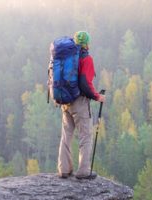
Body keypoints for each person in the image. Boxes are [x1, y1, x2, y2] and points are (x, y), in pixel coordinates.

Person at [57, 31, 105, 179]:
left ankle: (64, 169)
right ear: (87, 43)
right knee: (85, 135)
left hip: (65, 101)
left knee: (66, 135)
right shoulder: (86, 59)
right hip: (79, 103)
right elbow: (85, 84)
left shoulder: (66, 57)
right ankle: (83, 171)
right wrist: (97, 96)